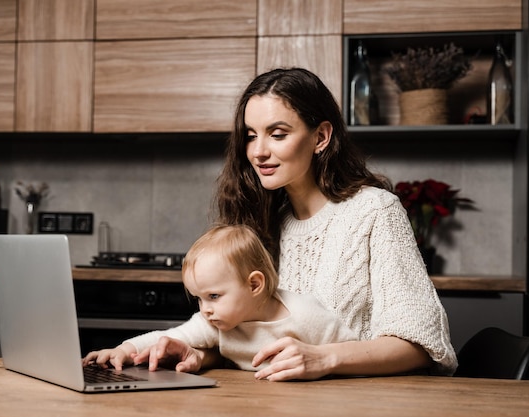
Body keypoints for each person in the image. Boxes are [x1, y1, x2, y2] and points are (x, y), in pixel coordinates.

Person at [121, 67, 458, 381]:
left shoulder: (375, 211)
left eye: (277, 134)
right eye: (251, 136)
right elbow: (250, 340)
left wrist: (324, 358)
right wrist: (199, 355)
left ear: (321, 137)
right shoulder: (261, 219)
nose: (258, 151)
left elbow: (420, 346)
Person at [82, 224, 357, 372]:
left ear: (255, 285)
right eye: (199, 299)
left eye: (214, 296)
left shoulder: (305, 314)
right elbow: (168, 338)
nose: (206, 310)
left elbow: (351, 351)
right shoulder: (214, 321)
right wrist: (122, 350)